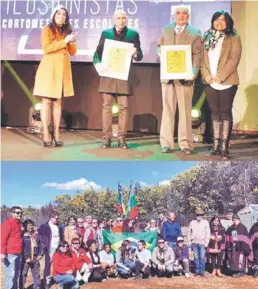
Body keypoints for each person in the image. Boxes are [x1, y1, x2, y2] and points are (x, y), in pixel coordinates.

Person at [93, 10, 143, 149]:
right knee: (106, 107)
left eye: (123, 18)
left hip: (123, 76)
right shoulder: (106, 33)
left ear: (126, 20)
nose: (121, 20)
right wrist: (98, 65)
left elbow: (139, 55)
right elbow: (97, 53)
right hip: (108, 75)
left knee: (124, 108)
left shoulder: (133, 34)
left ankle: (121, 138)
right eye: (118, 18)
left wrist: (135, 53)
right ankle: (106, 138)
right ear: (114, 19)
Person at [157, 5, 202, 154]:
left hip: (185, 77)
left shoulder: (195, 32)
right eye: (178, 13)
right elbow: (159, 47)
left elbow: (197, 54)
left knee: (185, 112)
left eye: (184, 13)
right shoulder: (166, 29)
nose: (181, 16)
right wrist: (162, 53)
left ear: (188, 16)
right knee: (167, 110)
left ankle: (186, 144)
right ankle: (166, 144)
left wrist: (193, 72)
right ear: (174, 15)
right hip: (168, 76)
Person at [33, 5, 77, 147]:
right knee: (46, 101)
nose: (61, 16)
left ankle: (57, 132)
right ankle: (46, 131)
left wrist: (69, 41)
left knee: (58, 101)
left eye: (64, 15)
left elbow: (73, 52)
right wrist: (63, 41)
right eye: (58, 14)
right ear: (53, 16)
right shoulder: (47, 29)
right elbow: (47, 49)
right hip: (49, 68)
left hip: (62, 68)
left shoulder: (67, 31)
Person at [201, 10, 242, 159]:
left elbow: (234, 59)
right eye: (216, 19)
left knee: (225, 113)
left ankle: (225, 147)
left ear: (228, 22)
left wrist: (220, 76)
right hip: (210, 81)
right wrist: (206, 75)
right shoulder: (206, 37)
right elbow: (202, 60)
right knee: (214, 113)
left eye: (223, 20)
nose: (219, 22)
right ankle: (215, 146)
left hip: (227, 82)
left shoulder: (234, 37)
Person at [38, 211, 63, 288]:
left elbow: (61, 237)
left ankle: (59, 280)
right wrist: (43, 248)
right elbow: (39, 237)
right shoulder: (44, 226)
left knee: (59, 264)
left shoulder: (59, 226)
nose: (57, 219)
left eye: (58, 218)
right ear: (51, 217)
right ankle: (47, 282)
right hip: (49, 248)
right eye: (56, 218)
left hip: (58, 248)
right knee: (48, 265)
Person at [1, 206, 23, 289]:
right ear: (12, 213)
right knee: (10, 275)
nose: (19, 214)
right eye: (17, 213)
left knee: (16, 274)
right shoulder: (7, 223)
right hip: (10, 253)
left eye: (21, 213)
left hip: (18, 253)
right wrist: (2, 253)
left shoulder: (18, 224)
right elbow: (2, 239)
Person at [20, 219, 44, 289]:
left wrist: (40, 254)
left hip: (35, 257)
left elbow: (41, 245)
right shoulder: (22, 234)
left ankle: (37, 287)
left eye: (32, 225)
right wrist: (26, 257)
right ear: (25, 226)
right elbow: (21, 247)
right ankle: (21, 287)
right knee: (23, 274)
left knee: (36, 274)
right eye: (29, 225)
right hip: (25, 258)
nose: (31, 227)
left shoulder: (36, 234)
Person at [188, 208, 211, 277]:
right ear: (196, 215)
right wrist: (189, 241)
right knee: (196, 257)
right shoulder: (192, 222)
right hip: (194, 243)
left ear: (203, 215)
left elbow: (208, 233)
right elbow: (189, 232)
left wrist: (206, 242)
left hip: (202, 243)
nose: (199, 215)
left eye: (201, 214)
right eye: (198, 214)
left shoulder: (206, 222)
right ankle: (196, 271)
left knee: (202, 257)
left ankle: (202, 271)